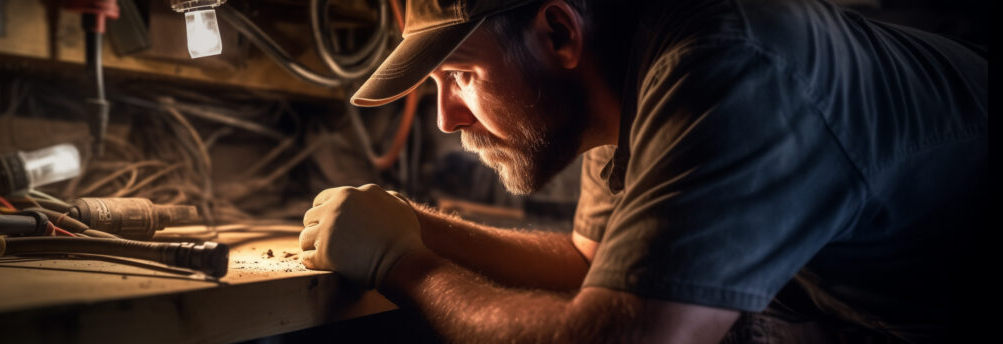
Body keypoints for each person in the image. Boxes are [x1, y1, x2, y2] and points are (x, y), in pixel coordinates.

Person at [298, 0, 987, 342]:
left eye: (463, 75)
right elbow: (589, 263)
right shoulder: (621, 82)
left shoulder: (723, 71)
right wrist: (418, 227)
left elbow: (631, 338)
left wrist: (403, 263)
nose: (448, 117)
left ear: (559, 34)